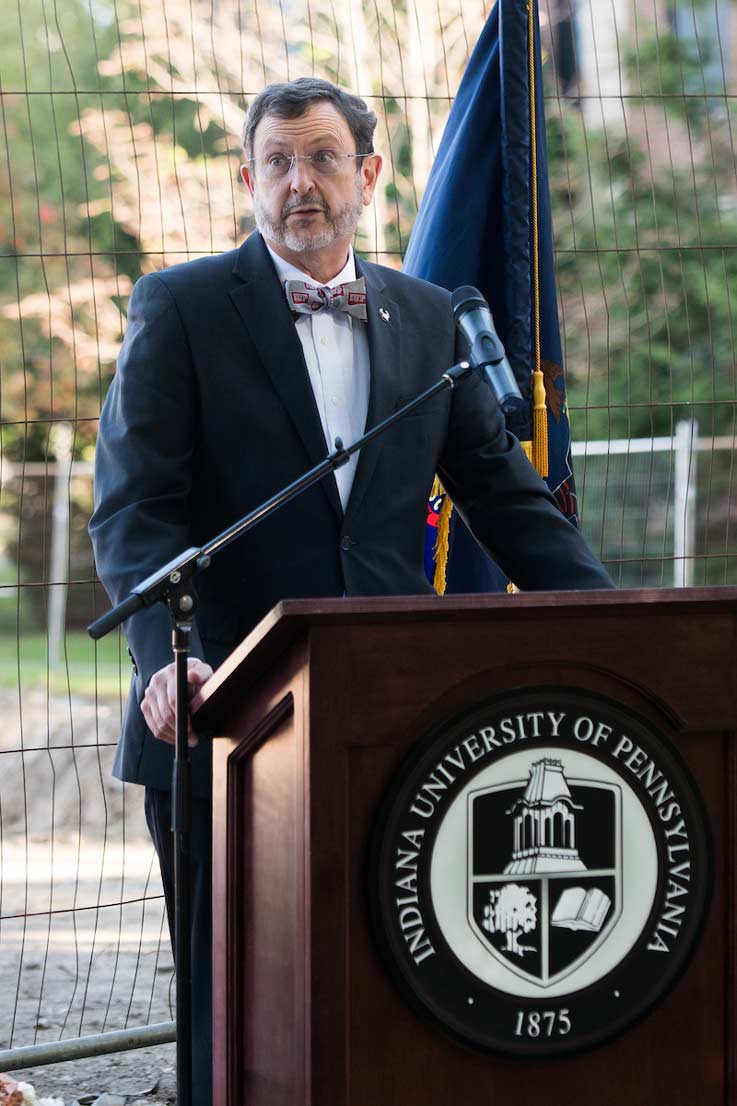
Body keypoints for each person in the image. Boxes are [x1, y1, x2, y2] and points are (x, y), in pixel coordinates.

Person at [89, 76, 614, 1105]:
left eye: (322, 157)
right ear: (246, 179)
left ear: (368, 175)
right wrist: (168, 660)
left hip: (386, 725)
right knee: (228, 1012)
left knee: (387, 985)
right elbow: (133, 513)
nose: (299, 182)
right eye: (277, 161)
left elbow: (508, 505)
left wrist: (611, 619)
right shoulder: (181, 307)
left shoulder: (429, 322)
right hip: (218, 719)